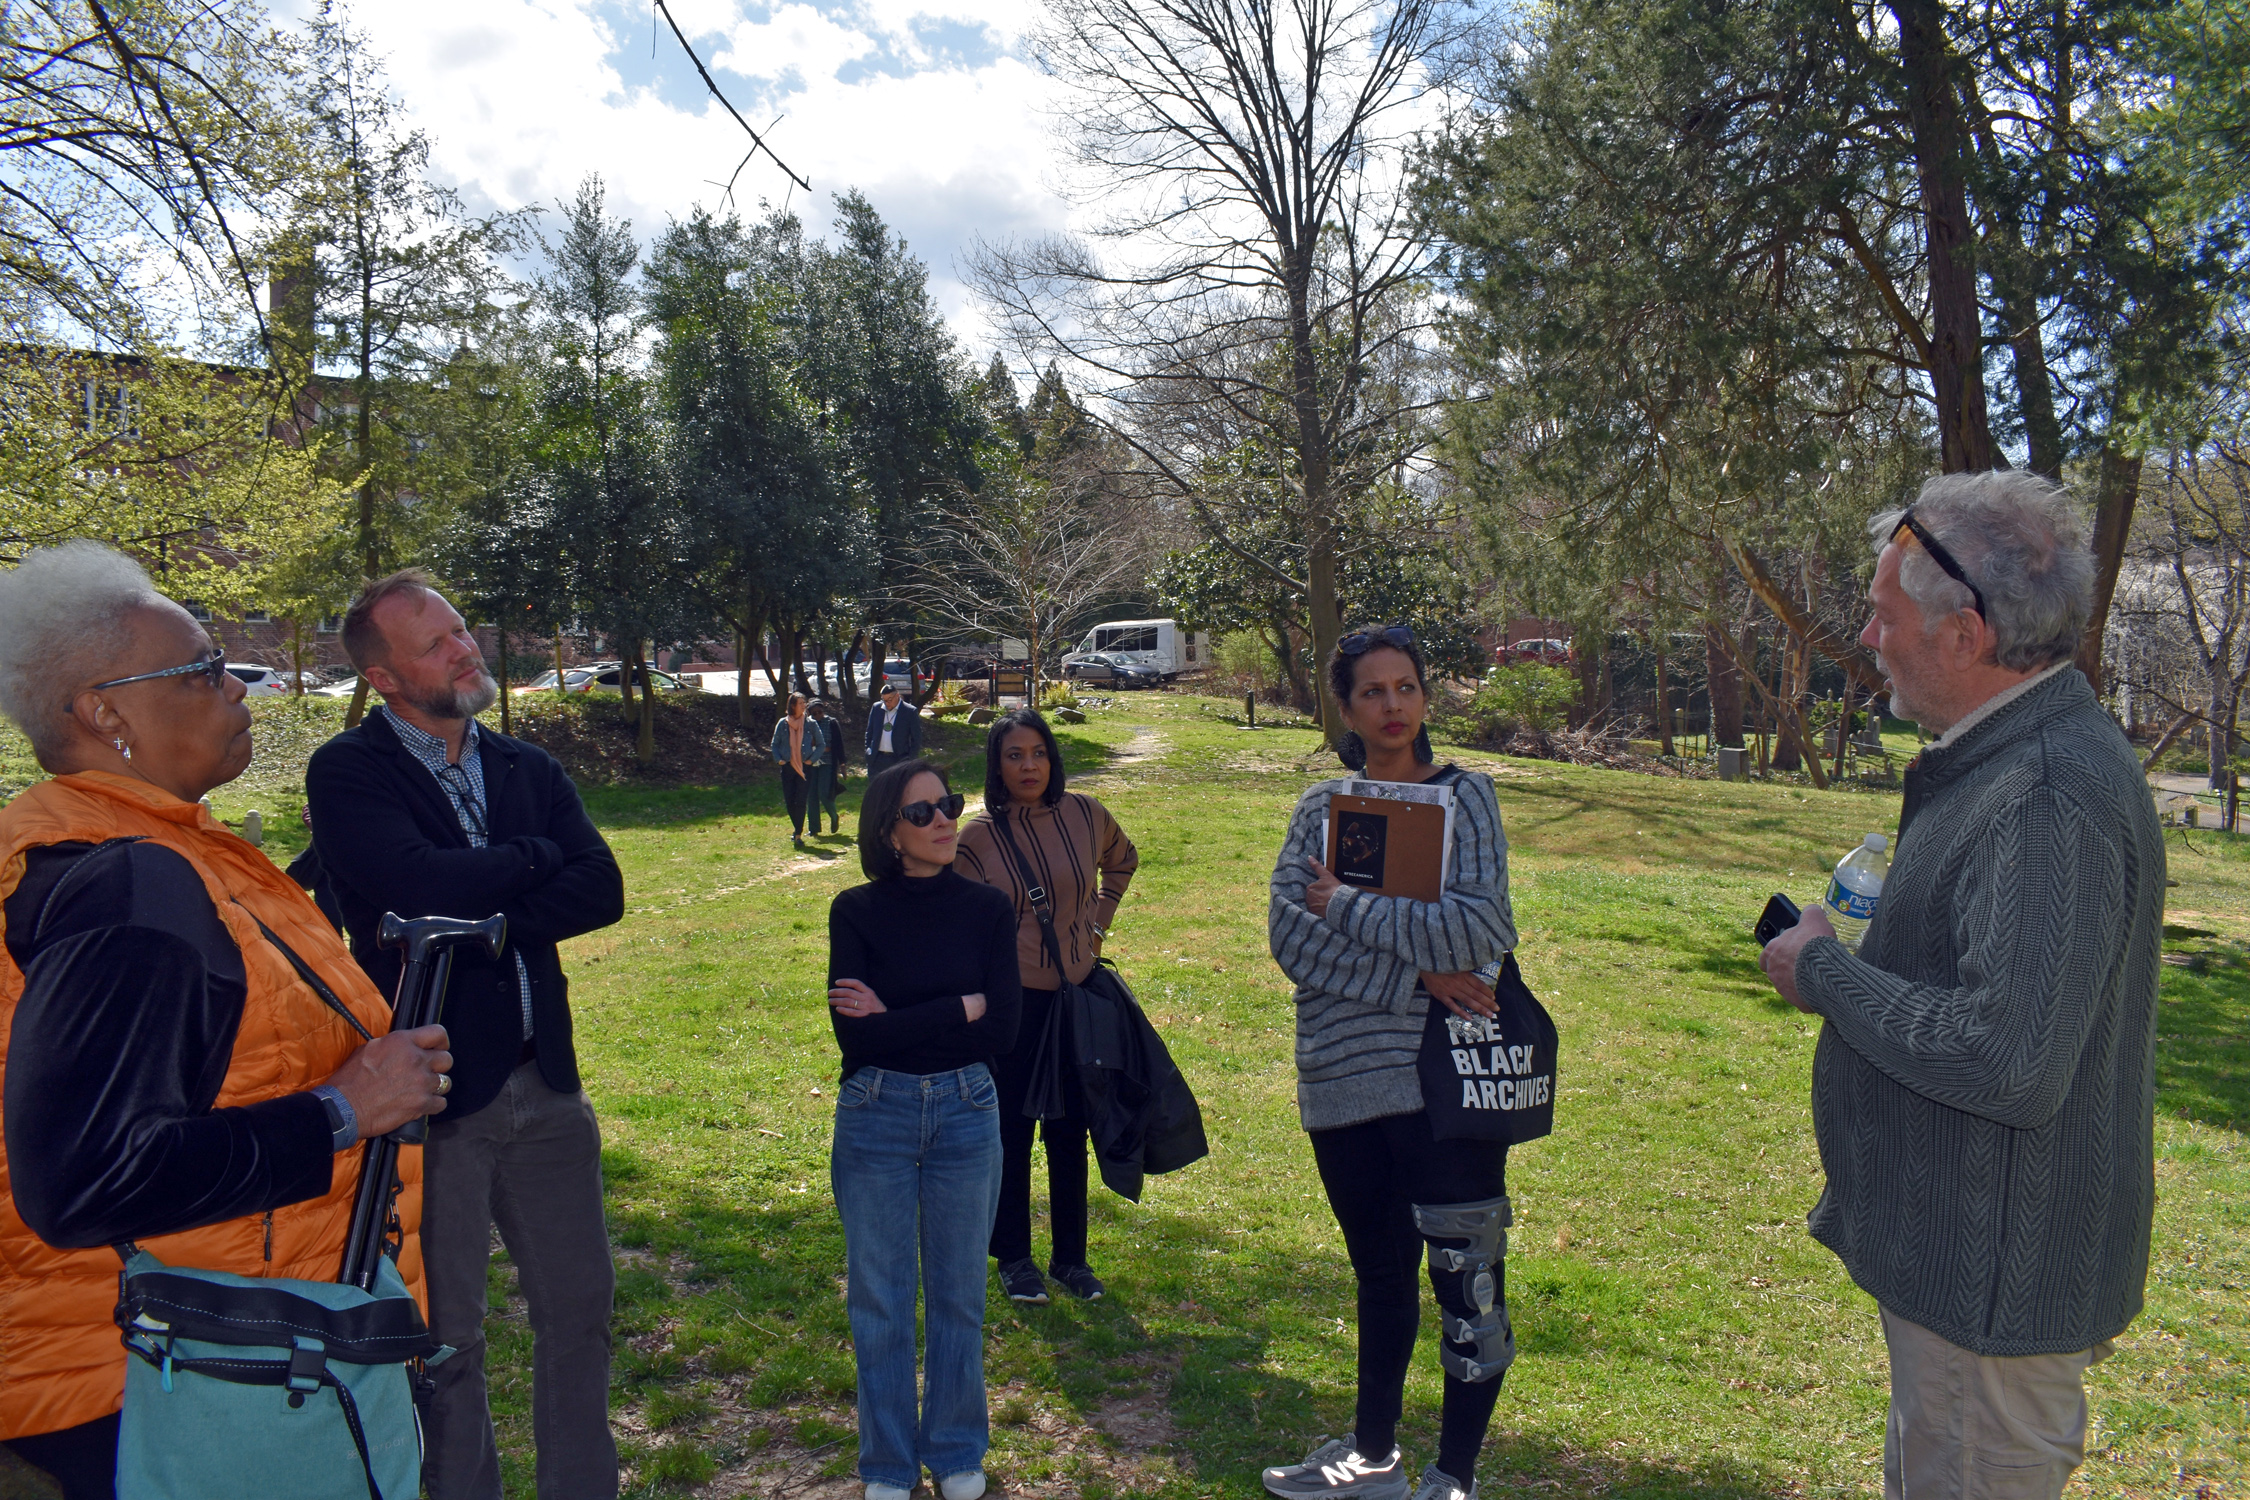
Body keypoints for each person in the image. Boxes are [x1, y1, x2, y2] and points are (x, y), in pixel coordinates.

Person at [0, 544, 450, 1499]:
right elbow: (87, 1179)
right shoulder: (124, 881)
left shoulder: (154, 850)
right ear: (102, 711)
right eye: (204, 668)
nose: (239, 687)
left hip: (209, 1353)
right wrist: (342, 1109)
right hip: (166, 1386)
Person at [1758, 472, 2164, 1500]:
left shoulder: (2042, 791)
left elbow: (2008, 1060)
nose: (1868, 634)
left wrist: (1826, 974)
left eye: (1885, 614)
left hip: (1992, 1307)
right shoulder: (2013, 759)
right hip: (1976, 1292)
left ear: (1965, 636)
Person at [306, 569, 625, 1500]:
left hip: (548, 1083)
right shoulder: (349, 771)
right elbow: (406, 886)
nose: (465, 647)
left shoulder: (528, 768)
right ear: (388, 678)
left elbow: (600, 889)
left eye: (460, 628)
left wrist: (479, 902)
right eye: (438, 641)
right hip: (427, 1099)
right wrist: (529, 865)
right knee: (445, 1341)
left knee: (580, 1313)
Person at [1265, 624, 1519, 1500]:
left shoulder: (1467, 801)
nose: (1392, 705)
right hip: (1340, 1080)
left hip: (1445, 1084)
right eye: (1372, 692)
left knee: (1467, 1284)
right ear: (1345, 707)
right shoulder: (1319, 810)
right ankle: (1372, 1459)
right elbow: (1290, 938)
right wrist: (1421, 967)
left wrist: (1349, 906)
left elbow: (1482, 928)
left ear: (1424, 695)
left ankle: (1455, 1475)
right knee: (1378, 1273)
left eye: (1405, 687)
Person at [826, 759, 1022, 1500]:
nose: (943, 820)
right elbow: (859, 1043)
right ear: (889, 833)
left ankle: (956, 1451)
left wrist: (906, 1017)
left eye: (949, 804)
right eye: (922, 813)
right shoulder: (856, 910)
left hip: (969, 1112)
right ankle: (886, 1465)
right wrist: (955, 1008)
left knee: (958, 1294)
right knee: (878, 1298)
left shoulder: (988, 909)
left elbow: (1002, 1027)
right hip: (876, 1112)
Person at [954, 708, 1139, 1305]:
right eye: (1014, 755)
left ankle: (1071, 1259)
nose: (1028, 766)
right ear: (996, 765)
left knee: (1070, 1129)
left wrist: (1098, 928)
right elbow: (958, 925)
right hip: (1012, 1010)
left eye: (1038, 753)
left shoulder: (1086, 814)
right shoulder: (977, 841)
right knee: (1009, 1130)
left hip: (1076, 997)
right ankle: (1014, 1258)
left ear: (1052, 758)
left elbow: (1123, 860)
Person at [770, 691, 829, 847]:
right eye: (801, 703)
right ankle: (797, 828)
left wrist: (811, 760)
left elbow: (821, 744)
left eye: (805, 703)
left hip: (804, 767)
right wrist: (779, 760)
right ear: (793, 706)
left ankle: (797, 833)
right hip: (788, 767)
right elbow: (774, 744)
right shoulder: (782, 724)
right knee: (790, 801)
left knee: (801, 801)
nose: (804, 706)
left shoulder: (810, 724)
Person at [865, 682, 922, 782]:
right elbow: (869, 732)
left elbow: (916, 739)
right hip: (877, 759)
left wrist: (910, 760)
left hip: (898, 759)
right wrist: (868, 751)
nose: (887, 703)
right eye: (884, 700)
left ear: (897, 696)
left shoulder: (909, 711)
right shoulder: (877, 708)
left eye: (889, 700)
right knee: (876, 794)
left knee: (895, 794)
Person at [814, 698, 848, 835]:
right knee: (812, 796)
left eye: (820, 712)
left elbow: (838, 745)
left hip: (828, 763)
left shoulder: (832, 723)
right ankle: (814, 828)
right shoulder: (808, 723)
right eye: (814, 713)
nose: (817, 715)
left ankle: (834, 816)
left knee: (824, 793)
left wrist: (843, 765)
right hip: (811, 762)